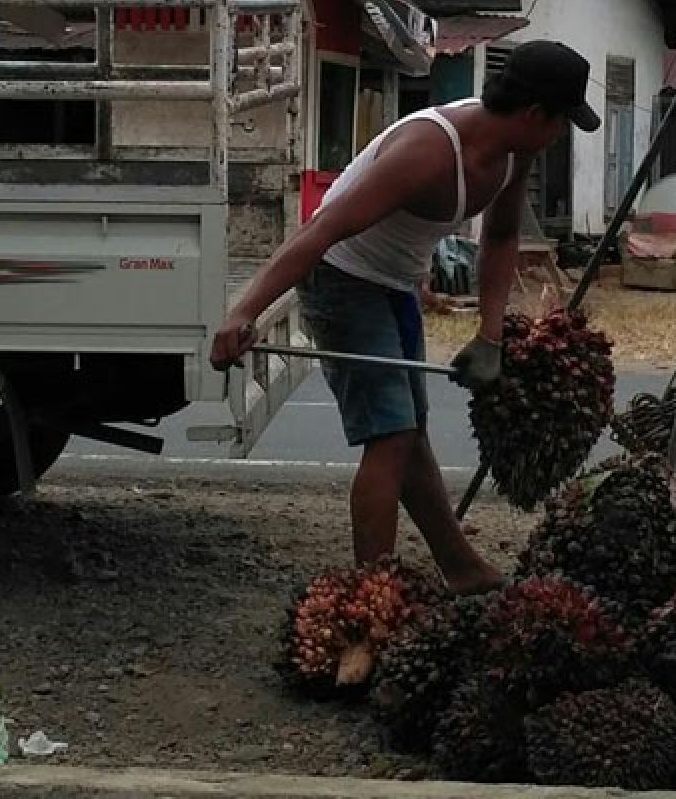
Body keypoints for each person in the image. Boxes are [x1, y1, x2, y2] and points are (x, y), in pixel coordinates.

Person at [210, 40, 600, 595]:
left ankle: (458, 566)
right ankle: (371, 599)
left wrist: (489, 336)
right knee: (390, 434)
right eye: (563, 121)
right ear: (536, 114)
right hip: (343, 277)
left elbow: (504, 236)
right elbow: (321, 232)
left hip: (395, 283)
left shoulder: (516, 153)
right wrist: (245, 310)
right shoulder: (430, 150)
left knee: (410, 431)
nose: (562, 135)